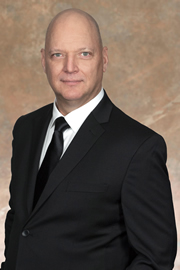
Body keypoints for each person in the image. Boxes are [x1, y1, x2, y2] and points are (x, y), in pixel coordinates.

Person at [1, 8, 177, 270]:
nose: (70, 67)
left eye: (84, 54)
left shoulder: (138, 147)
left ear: (103, 59)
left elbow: (155, 260)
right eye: (58, 54)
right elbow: (21, 224)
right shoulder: (26, 129)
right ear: (43, 60)